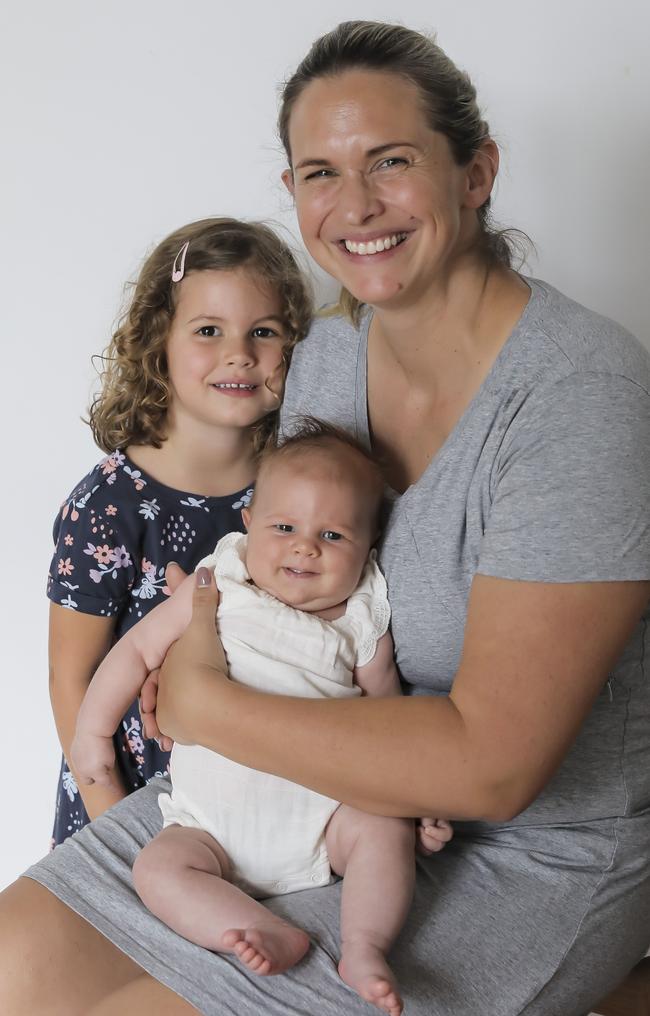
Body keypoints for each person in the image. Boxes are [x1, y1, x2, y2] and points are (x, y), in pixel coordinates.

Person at [2, 18, 650, 1016]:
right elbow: (255, 580)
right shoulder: (325, 365)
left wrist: (203, 701)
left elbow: (492, 766)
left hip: (513, 853)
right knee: (14, 963)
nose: (354, 206)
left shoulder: (580, 397)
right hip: (282, 788)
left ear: (474, 172)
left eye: (388, 162)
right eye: (318, 172)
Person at [71, 422, 449, 1016]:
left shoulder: (361, 621)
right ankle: (248, 926)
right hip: (209, 827)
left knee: (382, 835)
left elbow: (387, 722)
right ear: (248, 524)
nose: (305, 547)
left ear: (368, 546)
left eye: (332, 534)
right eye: (284, 528)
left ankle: (365, 947)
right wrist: (92, 730)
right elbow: (139, 649)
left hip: (326, 818)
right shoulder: (218, 583)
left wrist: (413, 802)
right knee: (158, 869)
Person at [46, 215, 312, 845]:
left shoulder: (297, 490)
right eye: (208, 330)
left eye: (264, 331)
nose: (239, 353)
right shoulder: (111, 504)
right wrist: (112, 817)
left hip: (258, 804)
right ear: (158, 341)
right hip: (133, 804)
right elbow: (69, 680)